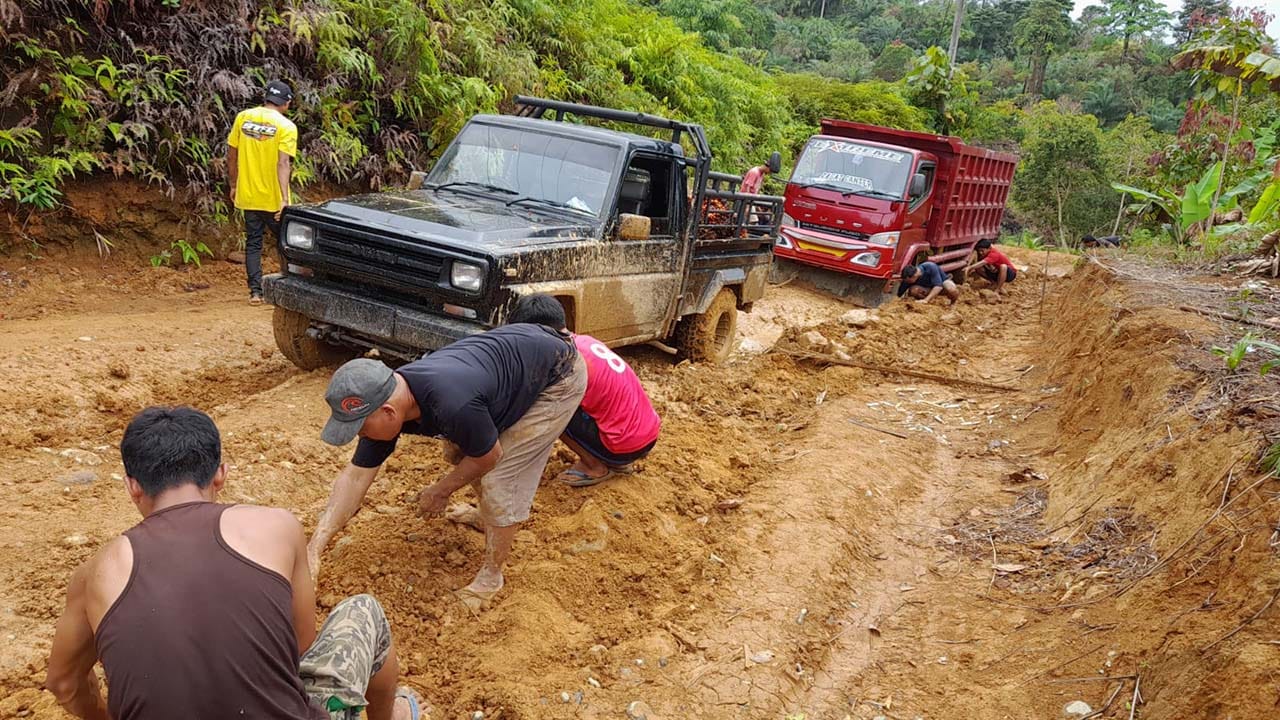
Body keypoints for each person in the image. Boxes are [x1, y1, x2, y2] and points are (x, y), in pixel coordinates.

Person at [45, 406, 421, 720]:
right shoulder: (276, 527)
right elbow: (299, 649)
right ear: (220, 474)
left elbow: (64, 684)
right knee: (364, 611)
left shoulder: (95, 572)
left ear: (132, 486)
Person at [309, 324, 587, 612]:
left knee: (501, 478)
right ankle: (486, 517)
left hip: (559, 373)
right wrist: (314, 548)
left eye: (360, 429)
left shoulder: (451, 403)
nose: (359, 436)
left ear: (388, 413)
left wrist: (441, 491)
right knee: (461, 452)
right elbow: (355, 477)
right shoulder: (390, 402)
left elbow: (489, 455)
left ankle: (491, 578)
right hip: (513, 366)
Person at [507, 293, 661, 487]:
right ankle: (614, 460)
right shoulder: (584, 342)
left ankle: (594, 466)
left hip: (624, 446)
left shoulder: (563, 360)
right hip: (646, 435)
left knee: (549, 408)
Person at [227, 80, 298, 305]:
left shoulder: (243, 118)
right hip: (274, 199)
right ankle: (290, 291)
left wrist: (234, 184)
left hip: (248, 195)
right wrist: (285, 199)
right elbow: (283, 163)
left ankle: (256, 293)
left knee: (253, 243)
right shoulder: (287, 127)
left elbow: (232, 153)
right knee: (288, 243)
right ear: (286, 103)